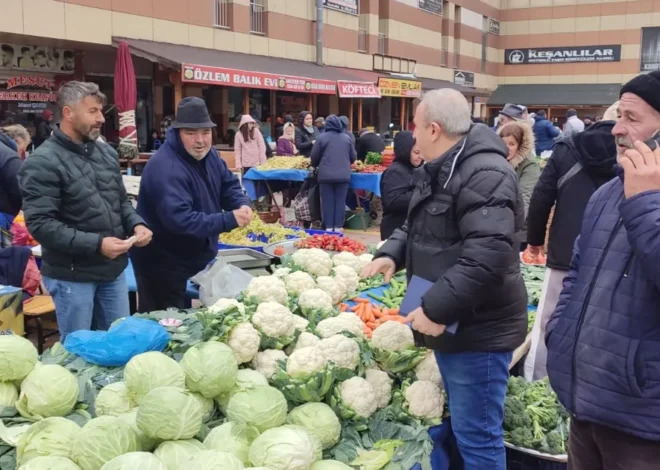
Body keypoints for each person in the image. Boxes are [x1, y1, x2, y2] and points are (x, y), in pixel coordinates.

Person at [362, 89, 527, 468]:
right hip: (455, 322)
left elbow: (486, 258)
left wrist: (434, 309)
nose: (412, 135)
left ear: (433, 129)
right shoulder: (442, 166)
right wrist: (393, 252)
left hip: (477, 329)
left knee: (478, 438)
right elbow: (418, 223)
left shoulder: (484, 173)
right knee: (466, 429)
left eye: (416, 127)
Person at [546, 71, 660, 469]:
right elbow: (578, 273)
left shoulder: (638, 193)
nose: (616, 129)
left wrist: (646, 199)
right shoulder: (608, 192)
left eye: (632, 118)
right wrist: (558, 332)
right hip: (587, 402)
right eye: (618, 116)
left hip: (642, 421)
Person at [18, 81, 151, 340]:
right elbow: (41, 224)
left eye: (101, 111)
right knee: (79, 351)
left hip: (112, 271)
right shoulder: (42, 162)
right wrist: (97, 244)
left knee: (118, 343)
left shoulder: (106, 154)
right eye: (92, 111)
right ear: (68, 113)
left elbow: (121, 201)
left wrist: (137, 224)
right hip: (72, 277)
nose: (101, 118)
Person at [131, 97, 252, 312]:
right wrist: (227, 219)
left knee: (186, 323)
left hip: (193, 259)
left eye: (205, 133)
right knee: (165, 327)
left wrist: (241, 203)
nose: (200, 140)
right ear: (178, 133)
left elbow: (229, 185)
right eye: (191, 133)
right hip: (162, 263)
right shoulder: (165, 167)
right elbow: (181, 220)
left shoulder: (210, 155)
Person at [522, 117, 617, 381]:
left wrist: (535, 242)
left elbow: (541, 198)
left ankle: (538, 381)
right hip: (612, 259)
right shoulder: (635, 151)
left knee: (548, 322)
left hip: (564, 252)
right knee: (598, 328)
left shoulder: (566, 150)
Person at [498, 121, 541, 247]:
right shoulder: (497, 160)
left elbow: (525, 198)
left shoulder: (529, 165)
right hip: (497, 224)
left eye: (511, 144)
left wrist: (510, 228)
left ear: (520, 145)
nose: (507, 148)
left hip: (518, 230)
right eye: (503, 143)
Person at [310, 115, 356, 231]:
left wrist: (316, 165)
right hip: (343, 176)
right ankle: (338, 227)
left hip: (325, 176)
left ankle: (329, 228)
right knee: (340, 202)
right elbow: (353, 157)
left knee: (327, 202)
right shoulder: (347, 138)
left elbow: (314, 157)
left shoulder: (321, 138)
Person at [379, 131, 422, 240]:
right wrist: (422, 194)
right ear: (406, 151)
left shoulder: (415, 169)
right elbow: (393, 201)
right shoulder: (395, 171)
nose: (420, 156)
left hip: (407, 229)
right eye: (416, 152)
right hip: (394, 230)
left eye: (421, 152)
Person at [0, 126, 23, 234]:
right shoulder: (10, 158)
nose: (21, 155)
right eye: (22, 150)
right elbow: (20, 192)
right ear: (17, 141)